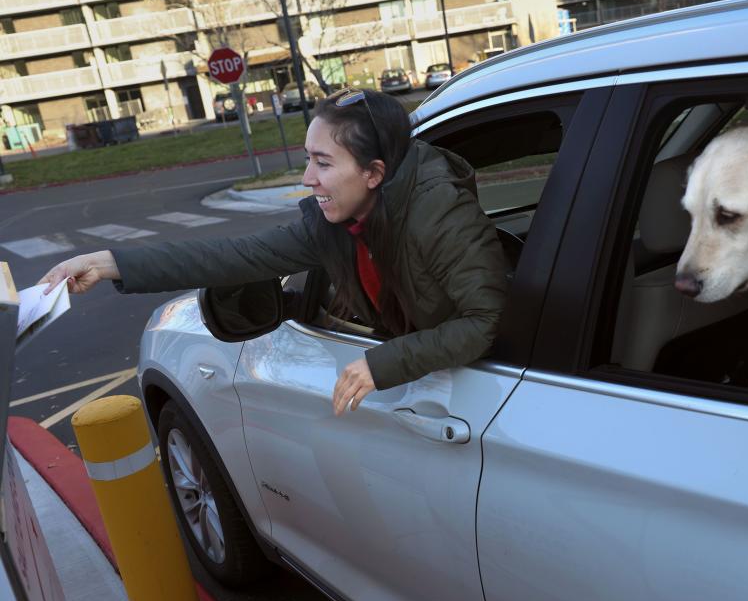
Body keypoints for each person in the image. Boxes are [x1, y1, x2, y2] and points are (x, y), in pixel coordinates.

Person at [40, 88, 509, 417]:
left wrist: (381, 363)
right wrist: (106, 264)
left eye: (323, 163)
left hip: (497, 390)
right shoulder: (339, 222)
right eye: (308, 158)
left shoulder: (437, 213)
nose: (307, 178)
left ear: (373, 173)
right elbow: (232, 256)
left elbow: (485, 320)